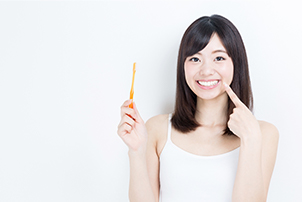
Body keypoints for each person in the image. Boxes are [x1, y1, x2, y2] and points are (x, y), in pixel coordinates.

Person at [117, 14, 279, 202]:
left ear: (237, 64)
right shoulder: (158, 129)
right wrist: (136, 152)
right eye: (195, 59)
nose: (206, 70)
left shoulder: (264, 133)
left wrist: (250, 138)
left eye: (219, 58)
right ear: (182, 66)